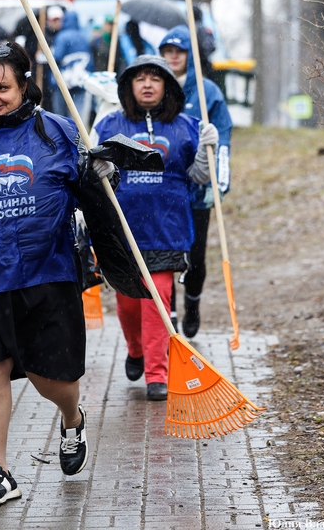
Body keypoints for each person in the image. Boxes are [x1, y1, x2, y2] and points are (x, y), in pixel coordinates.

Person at [0, 41, 114, 506]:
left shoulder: (58, 132)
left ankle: (72, 418)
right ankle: (0, 470)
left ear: (24, 84)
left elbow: (92, 193)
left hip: (44, 272)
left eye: (2, 87)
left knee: (49, 376)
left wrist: (100, 174)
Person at [94, 54, 218, 401]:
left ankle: (156, 373)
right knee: (128, 305)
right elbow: (89, 176)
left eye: (155, 78)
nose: (147, 85)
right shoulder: (108, 126)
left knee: (157, 301)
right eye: (140, 79)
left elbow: (200, 179)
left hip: (167, 230)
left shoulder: (187, 126)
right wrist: (97, 169)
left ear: (167, 87)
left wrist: (208, 148)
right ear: (128, 87)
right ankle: (136, 349)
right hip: (122, 233)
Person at [159, 25, 233, 337]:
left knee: (196, 256)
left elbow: (224, 138)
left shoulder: (207, 92)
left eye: (179, 51)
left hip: (199, 190)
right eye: (167, 51)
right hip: (164, 190)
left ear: (190, 55)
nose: (173, 57)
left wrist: (221, 180)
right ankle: (171, 315)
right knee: (166, 257)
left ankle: (192, 304)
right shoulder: (153, 87)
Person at [50, 10, 93, 119]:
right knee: (78, 116)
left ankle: (62, 136)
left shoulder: (62, 36)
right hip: (80, 80)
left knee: (60, 116)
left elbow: (56, 57)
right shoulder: (84, 36)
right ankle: (78, 136)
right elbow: (90, 59)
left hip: (63, 81)